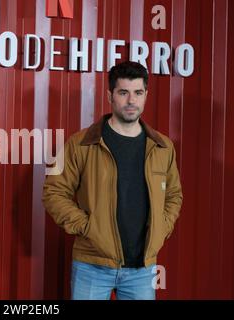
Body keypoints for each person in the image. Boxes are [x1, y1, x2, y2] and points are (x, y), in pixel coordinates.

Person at [42, 61, 183, 300]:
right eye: (123, 92)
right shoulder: (80, 143)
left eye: (138, 93)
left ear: (146, 95)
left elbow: (174, 195)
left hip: (142, 269)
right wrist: (87, 227)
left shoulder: (162, 147)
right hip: (92, 266)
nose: (131, 101)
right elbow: (53, 191)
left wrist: (162, 228)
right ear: (110, 95)